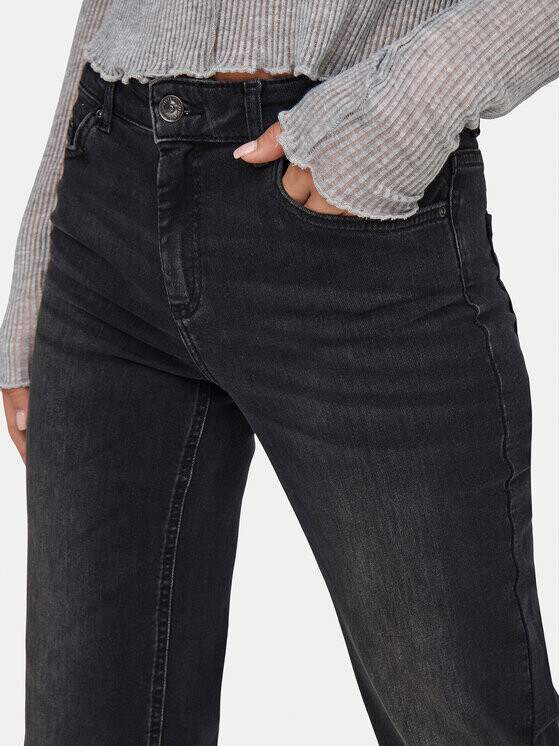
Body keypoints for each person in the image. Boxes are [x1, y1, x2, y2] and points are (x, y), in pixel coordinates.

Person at [1, 1, 558, 743]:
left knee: (463, 719)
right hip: (109, 200)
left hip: (354, 215)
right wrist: (40, 246)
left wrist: (409, 106)